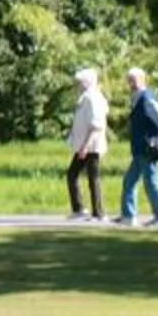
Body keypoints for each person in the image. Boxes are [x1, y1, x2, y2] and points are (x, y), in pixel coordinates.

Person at [115, 66, 158, 226]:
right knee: (129, 181)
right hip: (139, 148)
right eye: (129, 80)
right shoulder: (137, 98)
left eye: (133, 80)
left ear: (142, 79)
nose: (131, 83)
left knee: (151, 182)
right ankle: (128, 216)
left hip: (148, 147)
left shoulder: (146, 98)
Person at [63, 68, 107, 221]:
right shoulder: (85, 98)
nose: (78, 85)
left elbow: (96, 125)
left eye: (80, 82)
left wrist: (86, 146)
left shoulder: (92, 99)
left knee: (92, 178)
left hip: (91, 146)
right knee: (73, 174)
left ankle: (98, 213)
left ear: (88, 82)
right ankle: (80, 209)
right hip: (84, 145)